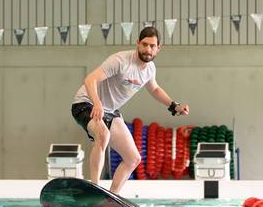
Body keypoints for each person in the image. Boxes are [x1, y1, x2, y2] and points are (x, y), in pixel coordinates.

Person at [71, 26, 189, 195]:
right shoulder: (120, 61)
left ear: (158, 48)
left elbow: (155, 89)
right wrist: (97, 103)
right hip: (85, 103)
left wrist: (175, 106)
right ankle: (94, 188)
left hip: (110, 111)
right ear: (137, 43)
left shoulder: (150, 69)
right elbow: (90, 80)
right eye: (144, 44)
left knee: (133, 158)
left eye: (152, 46)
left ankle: (112, 196)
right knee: (103, 135)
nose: (148, 49)